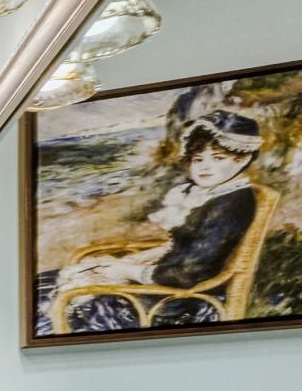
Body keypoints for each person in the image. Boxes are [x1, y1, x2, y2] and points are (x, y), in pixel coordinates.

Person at [50, 108, 262, 331]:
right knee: (55, 280)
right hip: (167, 282)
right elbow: (183, 244)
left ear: (243, 158)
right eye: (198, 159)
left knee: (66, 297)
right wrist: (136, 259)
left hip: (178, 302)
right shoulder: (212, 194)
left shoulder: (231, 204)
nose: (204, 167)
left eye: (218, 158)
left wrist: (126, 271)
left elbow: (189, 271)